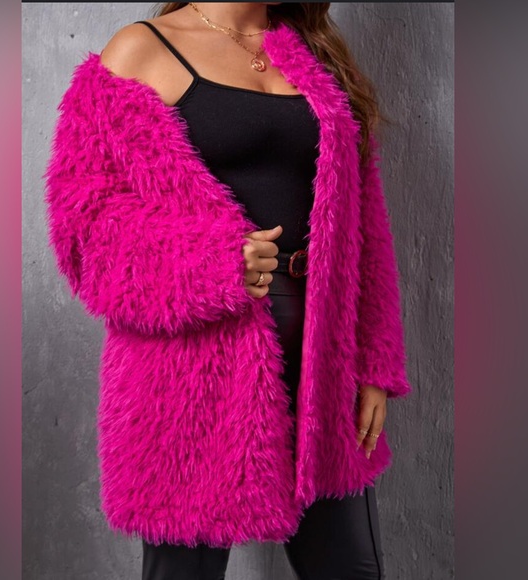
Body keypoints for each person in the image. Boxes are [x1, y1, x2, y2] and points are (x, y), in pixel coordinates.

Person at [44, 2, 412, 579]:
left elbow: (365, 221)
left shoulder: (310, 52)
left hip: (323, 356)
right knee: (184, 570)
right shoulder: (140, 51)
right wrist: (214, 264)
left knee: (351, 568)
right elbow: (84, 231)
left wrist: (374, 361)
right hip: (187, 366)